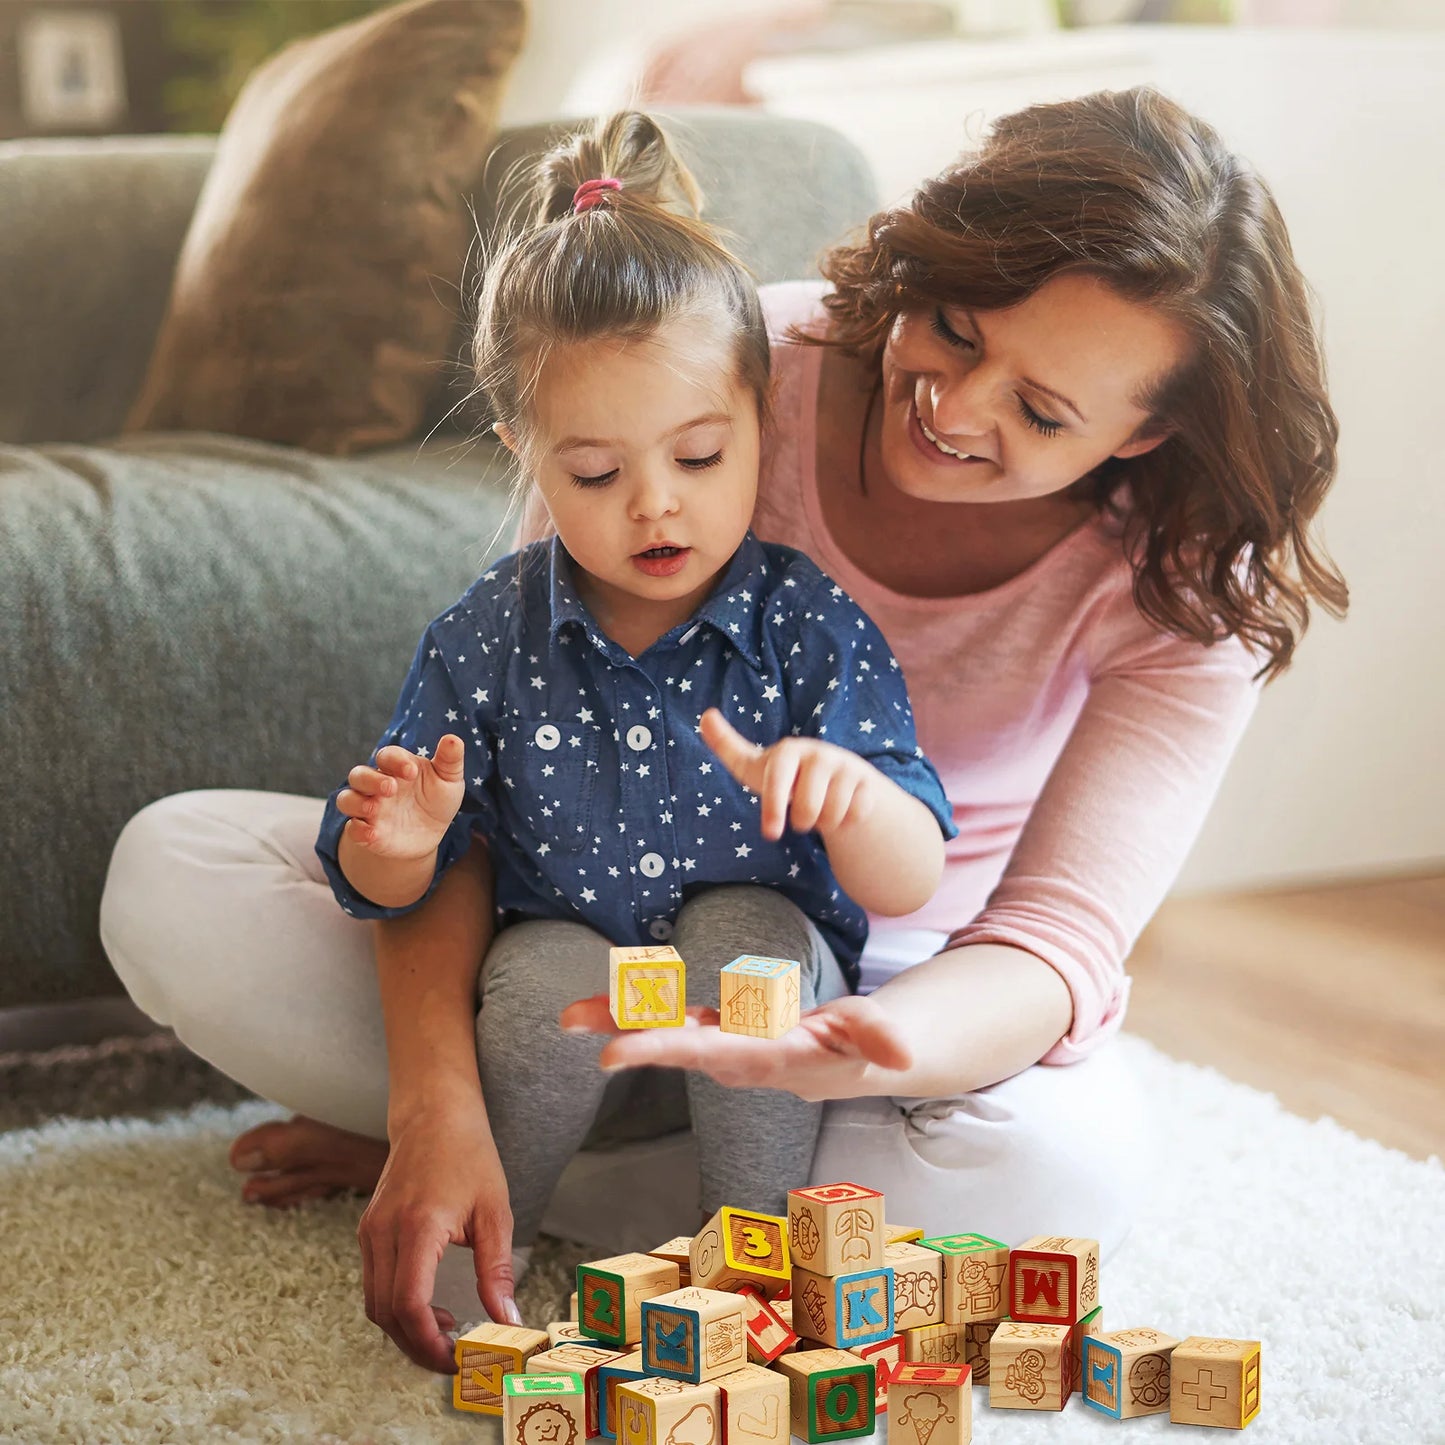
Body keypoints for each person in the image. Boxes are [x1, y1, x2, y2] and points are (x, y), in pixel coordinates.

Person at [99, 87, 1347, 1378]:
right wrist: (434, 1101)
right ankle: (523, 1148)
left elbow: (1051, 947)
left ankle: (610, 1193)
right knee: (174, 870)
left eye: (1040, 414)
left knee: (1050, 1172)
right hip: (559, 944)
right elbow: (494, 776)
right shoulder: (718, 371)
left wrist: (862, 1052)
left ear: (1144, 434)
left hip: (874, 977)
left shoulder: (1194, 591)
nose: (956, 408)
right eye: (955, 329)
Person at [311, 105, 954, 1328]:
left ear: (764, 417)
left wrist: (848, 791)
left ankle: (750, 1267)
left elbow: (912, 872)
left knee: (747, 937)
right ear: (525, 450)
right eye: (595, 475)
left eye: (701, 456)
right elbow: (393, 886)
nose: (653, 508)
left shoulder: (806, 619)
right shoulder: (487, 629)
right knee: (540, 980)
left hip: (757, 994)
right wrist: (393, 843)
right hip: (571, 963)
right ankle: (491, 1242)